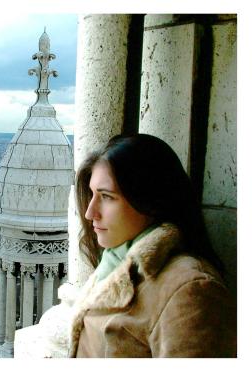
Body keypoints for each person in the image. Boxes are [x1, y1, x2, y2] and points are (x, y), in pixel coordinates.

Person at [69, 133, 236, 357]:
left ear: (149, 200)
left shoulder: (191, 289)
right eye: (91, 194)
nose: (90, 213)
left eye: (107, 196)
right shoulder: (115, 264)